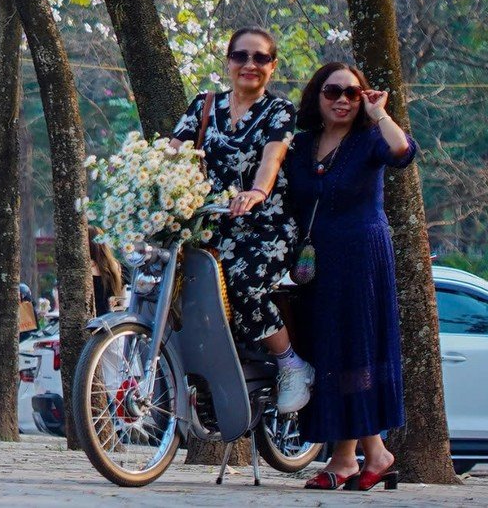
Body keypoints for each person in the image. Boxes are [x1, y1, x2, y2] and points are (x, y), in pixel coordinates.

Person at [282, 59, 417, 490]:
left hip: (361, 258)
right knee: (328, 352)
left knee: (354, 351)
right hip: (313, 263)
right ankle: (369, 454)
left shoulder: (370, 139)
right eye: (332, 92)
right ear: (316, 97)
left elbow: (404, 153)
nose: (342, 100)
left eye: (352, 93)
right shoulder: (301, 145)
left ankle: (348, 459)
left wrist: (380, 114)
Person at [170, 26, 312, 413]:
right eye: (241, 57)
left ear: (273, 66)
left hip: (266, 226)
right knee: (172, 285)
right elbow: (172, 154)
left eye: (260, 58)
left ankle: (290, 363)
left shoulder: (279, 110)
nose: (250, 65)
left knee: (243, 284)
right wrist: (148, 185)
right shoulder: (203, 106)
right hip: (212, 224)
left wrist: (258, 192)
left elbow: (273, 157)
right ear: (228, 62)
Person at [89, 233, 125, 315]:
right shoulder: (117, 266)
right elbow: (121, 303)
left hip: (91, 321)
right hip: (112, 321)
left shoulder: (85, 268)